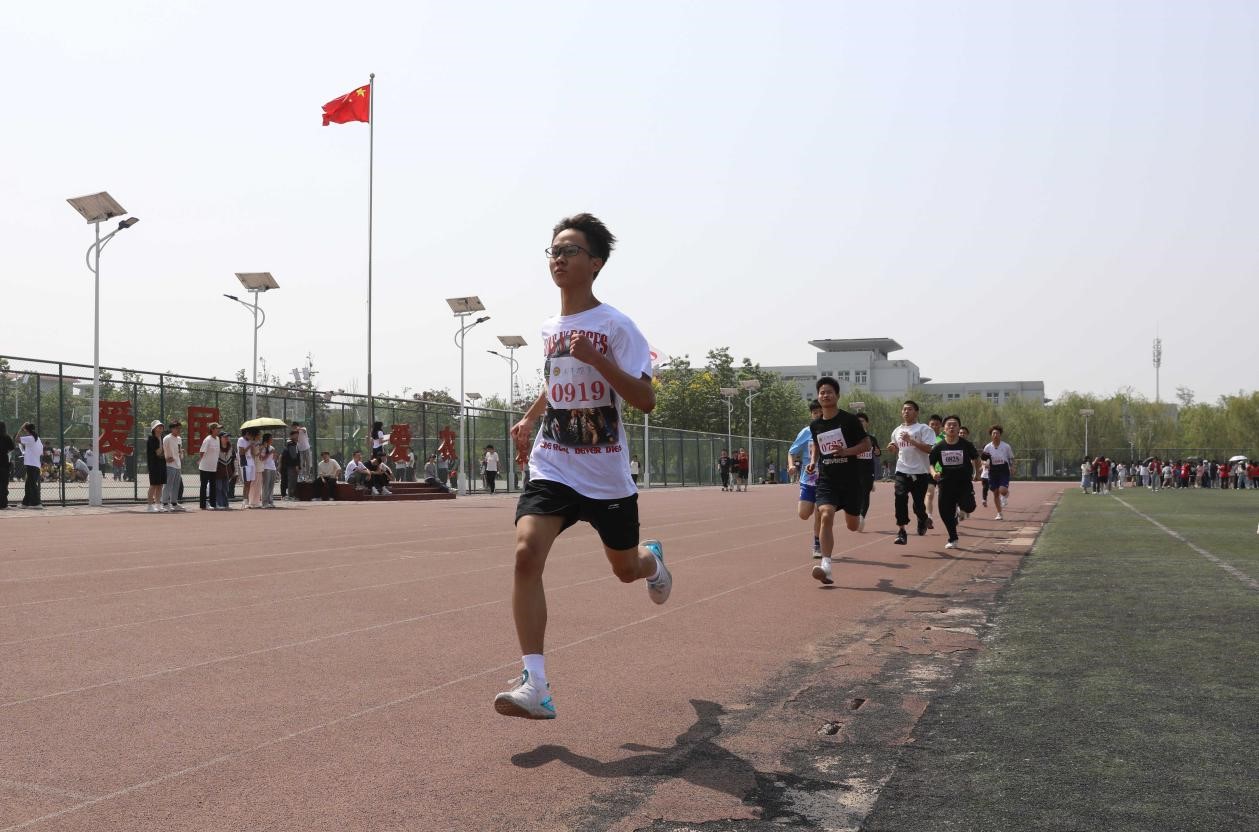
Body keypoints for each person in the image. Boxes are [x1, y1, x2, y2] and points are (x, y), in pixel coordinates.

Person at [495, 212, 670, 721]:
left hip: (605, 475)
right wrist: (531, 417)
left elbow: (645, 400)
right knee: (525, 554)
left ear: (595, 263)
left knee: (625, 570)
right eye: (553, 251)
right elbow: (558, 382)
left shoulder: (617, 326)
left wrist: (598, 360)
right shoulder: (549, 328)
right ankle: (536, 684)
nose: (559, 258)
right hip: (553, 463)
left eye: (569, 250)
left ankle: (652, 561)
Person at [805, 377, 872, 585]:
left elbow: (866, 445)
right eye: (822, 392)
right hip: (827, 480)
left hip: (850, 481)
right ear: (818, 397)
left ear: (837, 395)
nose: (825, 395)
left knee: (852, 526)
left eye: (829, 392)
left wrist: (846, 451)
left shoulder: (849, 420)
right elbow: (817, 445)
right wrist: (813, 462)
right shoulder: (815, 425)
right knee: (825, 514)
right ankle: (826, 566)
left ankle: (857, 516)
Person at [885, 400, 936, 545]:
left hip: (920, 472)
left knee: (918, 505)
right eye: (904, 409)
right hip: (902, 470)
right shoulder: (897, 430)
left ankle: (922, 518)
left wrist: (911, 440)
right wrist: (892, 447)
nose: (906, 412)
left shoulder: (924, 429)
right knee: (900, 498)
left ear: (916, 412)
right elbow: (896, 447)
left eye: (910, 409)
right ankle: (901, 531)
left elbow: (929, 449)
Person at [929, 415, 981, 549]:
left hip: (964, 482)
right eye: (949, 425)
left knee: (969, 507)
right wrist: (934, 473)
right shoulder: (939, 446)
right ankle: (953, 538)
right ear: (944, 428)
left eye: (954, 425)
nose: (951, 427)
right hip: (945, 483)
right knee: (944, 512)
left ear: (959, 428)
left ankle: (962, 509)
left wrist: (977, 473)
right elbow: (930, 463)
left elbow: (976, 458)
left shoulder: (966, 445)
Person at [787, 400, 825, 558]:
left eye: (820, 412)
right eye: (815, 413)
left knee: (820, 512)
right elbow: (791, 452)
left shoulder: (831, 431)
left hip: (825, 480)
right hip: (807, 479)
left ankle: (817, 544)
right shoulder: (806, 432)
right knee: (803, 514)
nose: (818, 415)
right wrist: (791, 466)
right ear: (811, 415)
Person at [983, 425, 1015, 519]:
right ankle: (999, 513)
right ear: (991, 435)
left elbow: (1011, 458)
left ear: (1000, 434)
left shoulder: (1006, 446)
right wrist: (985, 464)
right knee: (995, 492)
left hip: (1003, 470)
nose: (995, 435)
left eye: (997, 433)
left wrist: (1012, 467)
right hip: (993, 471)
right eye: (993, 433)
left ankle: (1005, 494)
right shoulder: (988, 447)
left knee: (1002, 490)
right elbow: (983, 459)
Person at [855, 411, 879, 531]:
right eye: (857, 421)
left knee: (865, 494)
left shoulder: (871, 439)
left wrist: (876, 451)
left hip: (868, 470)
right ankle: (856, 514)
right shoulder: (851, 438)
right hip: (854, 471)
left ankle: (862, 517)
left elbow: (878, 453)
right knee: (855, 494)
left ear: (867, 423)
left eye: (862, 421)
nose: (860, 423)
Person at [922, 414, 943, 529]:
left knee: (946, 496)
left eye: (937, 424)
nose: (934, 426)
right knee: (929, 493)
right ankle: (929, 517)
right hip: (929, 470)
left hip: (944, 471)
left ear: (941, 426)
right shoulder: (924, 439)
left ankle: (955, 510)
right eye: (932, 424)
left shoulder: (945, 438)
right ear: (928, 425)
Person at [196, 421, 221, 510]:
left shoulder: (218, 439)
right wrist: (200, 461)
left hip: (213, 467)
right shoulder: (207, 439)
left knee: (213, 486)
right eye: (217, 428)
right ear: (212, 429)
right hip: (205, 467)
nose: (219, 430)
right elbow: (202, 451)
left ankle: (213, 504)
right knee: (203, 486)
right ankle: (203, 505)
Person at [161, 420, 185, 511]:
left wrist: (181, 455)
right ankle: (164, 503)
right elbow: (162, 450)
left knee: (176, 485)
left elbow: (179, 450)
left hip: (178, 465)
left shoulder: (179, 439)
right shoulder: (167, 438)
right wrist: (165, 459)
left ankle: (174, 503)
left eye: (180, 428)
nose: (179, 430)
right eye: (177, 428)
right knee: (168, 484)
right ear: (172, 429)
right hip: (169, 465)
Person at [18, 423, 44, 508]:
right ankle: (25, 503)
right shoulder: (37, 438)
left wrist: (21, 428)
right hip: (35, 464)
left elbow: (16, 439)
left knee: (32, 485)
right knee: (28, 484)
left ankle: (37, 503)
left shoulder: (30, 438)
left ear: (26, 430)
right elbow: (41, 452)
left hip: (31, 464)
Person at [145, 420, 166, 512]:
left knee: (160, 485)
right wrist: (162, 442)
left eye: (161, 426)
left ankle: (158, 505)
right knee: (153, 485)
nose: (161, 427)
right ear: (154, 429)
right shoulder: (152, 439)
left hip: (162, 464)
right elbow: (159, 452)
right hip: (154, 465)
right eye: (158, 426)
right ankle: (149, 506)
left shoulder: (162, 438)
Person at [214, 431, 235, 509]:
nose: (227, 438)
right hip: (218, 472)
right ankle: (219, 504)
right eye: (225, 437)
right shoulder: (217, 447)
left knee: (225, 488)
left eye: (227, 437)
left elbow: (233, 460)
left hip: (227, 472)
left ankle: (225, 504)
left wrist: (234, 471)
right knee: (218, 488)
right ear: (220, 438)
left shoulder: (230, 447)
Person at [281, 431, 301, 500]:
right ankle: (291, 495)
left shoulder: (295, 444)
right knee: (292, 481)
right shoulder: (291, 444)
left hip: (291, 466)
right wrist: (296, 465)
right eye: (296, 435)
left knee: (293, 480)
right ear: (292, 436)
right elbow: (293, 456)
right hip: (291, 466)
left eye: (298, 435)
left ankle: (291, 495)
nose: (297, 436)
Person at [259, 433, 278, 508]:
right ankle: (265, 502)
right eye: (271, 438)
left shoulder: (272, 447)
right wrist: (270, 453)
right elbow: (262, 459)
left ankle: (270, 501)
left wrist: (275, 455)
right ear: (267, 439)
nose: (272, 439)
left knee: (271, 486)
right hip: (266, 468)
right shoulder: (263, 447)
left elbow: (274, 458)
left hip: (273, 468)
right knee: (266, 485)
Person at [0, 422, 12, 509]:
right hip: (4, 462)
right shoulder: (6, 437)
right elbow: (11, 448)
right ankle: (3, 504)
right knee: (4, 484)